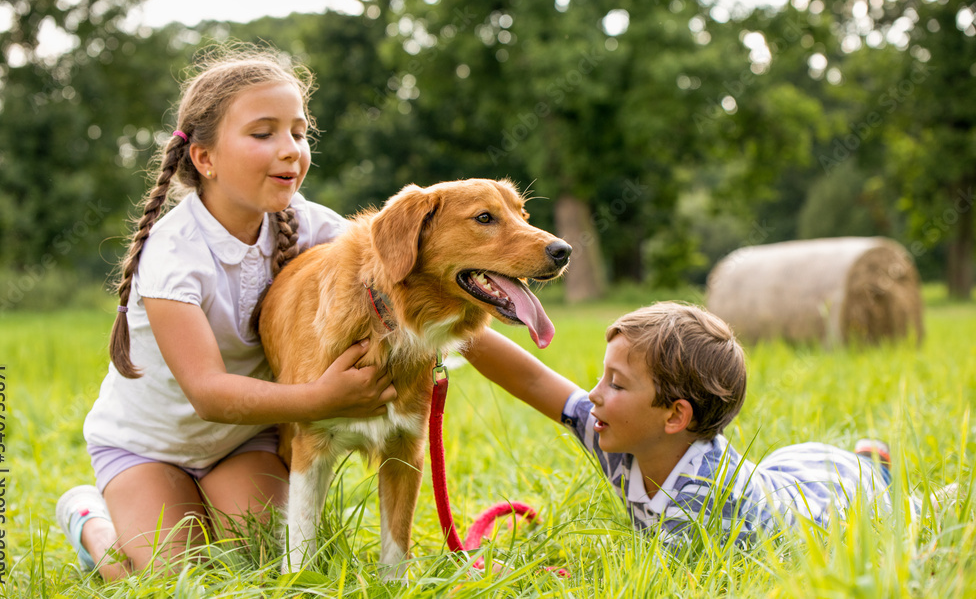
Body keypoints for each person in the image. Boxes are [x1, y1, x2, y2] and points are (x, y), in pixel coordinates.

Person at [55, 45, 396, 580]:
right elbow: (209, 392)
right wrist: (319, 399)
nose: (290, 150)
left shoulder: (314, 227)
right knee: (172, 579)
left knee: (258, 562)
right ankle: (89, 519)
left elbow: (422, 297)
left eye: (299, 133)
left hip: (244, 440)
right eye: (263, 133)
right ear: (205, 158)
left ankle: (198, 508)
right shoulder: (173, 252)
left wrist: (566, 402)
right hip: (147, 447)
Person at [463, 301, 925, 548]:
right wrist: (448, 325)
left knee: (894, 508)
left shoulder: (707, 512)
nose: (595, 394)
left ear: (675, 415)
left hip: (827, 505)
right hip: (791, 471)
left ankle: (877, 468)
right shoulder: (624, 430)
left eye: (616, 384)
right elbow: (532, 378)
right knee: (784, 467)